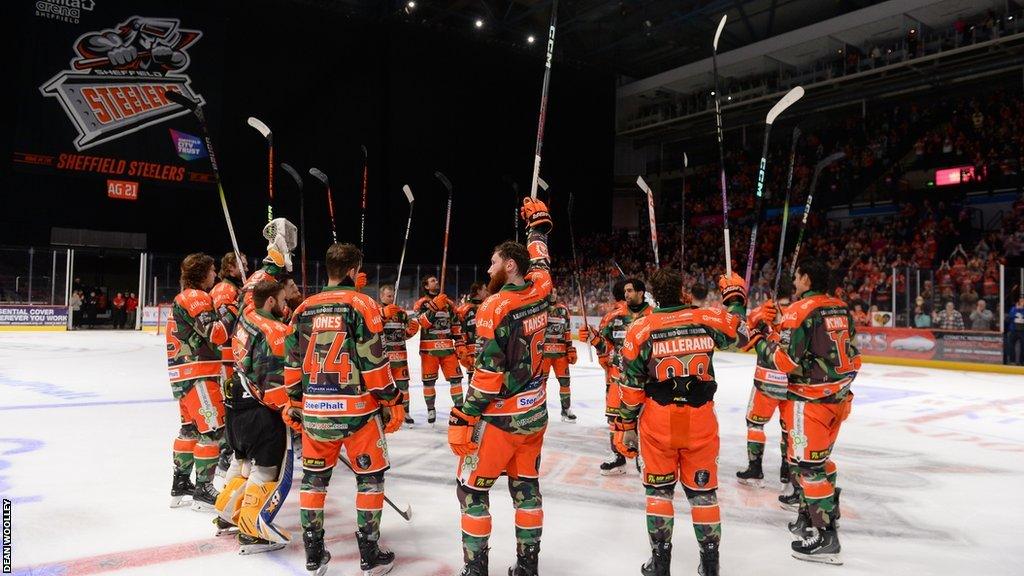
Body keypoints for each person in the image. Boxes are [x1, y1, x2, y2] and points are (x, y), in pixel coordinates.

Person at [617, 269, 750, 576]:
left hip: (658, 421)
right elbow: (737, 332)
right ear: (682, 292)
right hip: (700, 418)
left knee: (659, 492)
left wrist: (625, 428)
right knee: (703, 495)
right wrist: (735, 298)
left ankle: (661, 563)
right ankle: (710, 563)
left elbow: (631, 387)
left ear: (654, 296)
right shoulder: (704, 317)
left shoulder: (641, 327)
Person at [285, 243, 404, 576]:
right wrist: (392, 399)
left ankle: (313, 554)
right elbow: (375, 363)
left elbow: (292, 364)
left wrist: (295, 402)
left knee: (313, 480)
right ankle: (369, 553)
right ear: (354, 271)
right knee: (369, 479)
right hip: (358, 413)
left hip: (316, 412)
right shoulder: (362, 303)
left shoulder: (303, 308)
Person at [448, 198, 553, 576]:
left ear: (509, 265)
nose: (487, 267)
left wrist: (463, 414)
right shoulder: (541, 289)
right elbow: (541, 261)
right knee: (526, 489)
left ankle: (476, 570)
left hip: (499, 421)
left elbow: (487, 377)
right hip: (535, 414)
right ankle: (528, 567)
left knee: (472, 491)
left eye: (493, 262)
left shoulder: (493, 306)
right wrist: (537, 228)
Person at [755, 258, 859, 564]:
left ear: (807, 279)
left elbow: (785, 362)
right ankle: (811, 515)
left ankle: (827, 537)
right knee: (820, 461)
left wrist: (762, 338)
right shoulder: (840, 307)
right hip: (837, 398)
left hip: (809, 402)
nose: (795, 280)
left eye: (798, 276)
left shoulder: (801, 310)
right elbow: (853, 355)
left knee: (806, 467)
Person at [215, 280, 295, 554]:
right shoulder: (275, 331)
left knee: (242, 460)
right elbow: (275, 386)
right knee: (266, 467)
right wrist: (293, 409)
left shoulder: (247, 314)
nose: (286, 305)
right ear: (270, 301)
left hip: (235, 402)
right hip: (259, 410)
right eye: (283, 300)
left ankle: (226, 511)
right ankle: (252, 530)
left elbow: (252, 293)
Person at [166, 253, 231, 512]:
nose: (215, 276)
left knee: (189, 430)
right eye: (212, 270)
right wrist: (230, 311)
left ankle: (181, 482)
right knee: (213, 431)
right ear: (203, 273)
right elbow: (215, 333)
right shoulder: (195, 297)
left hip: (183, 375)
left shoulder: (183, 297)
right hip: (199, 374)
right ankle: (204, 487)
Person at [580, 277, 652, 475]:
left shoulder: (653, 316)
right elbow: (606, 347)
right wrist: (594, 338)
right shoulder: (615, 318)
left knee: (644, 419)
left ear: (641, 293)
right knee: (614, 419)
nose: (626, 294)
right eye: (625, 291)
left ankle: (642, 456)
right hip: (618, 377)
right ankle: (618, 457)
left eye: (630, 291)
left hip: (646, 380)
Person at [737, 293, 792, 487]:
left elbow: (742, 343)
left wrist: (754, 319)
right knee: (789, 429)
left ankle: (755, 468)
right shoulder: (800, 318)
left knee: (754, 424)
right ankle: (788, 471)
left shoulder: (767, 318)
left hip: (765, 382)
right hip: (790, 384)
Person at [211, 251, 248, 477]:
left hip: (232, 356)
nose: (246, 268)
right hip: (226, 357)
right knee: (230, 405)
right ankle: (225, 454)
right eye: (242, 265)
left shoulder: (234, 288)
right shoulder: (225, 289)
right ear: (231, 268)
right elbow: (226, 326)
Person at [414, 275, 465, 424]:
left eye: (436, 280)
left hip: (448, 349)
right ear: (426, 286)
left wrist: (460, 343)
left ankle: (459, 408)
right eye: (432, 281)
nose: (436, 282)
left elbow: (455, 326)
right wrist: (435, 307)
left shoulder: (449, 303)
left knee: (456, 380)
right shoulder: (421, 303)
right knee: (429, 382)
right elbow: (423, 323)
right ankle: (431, 409)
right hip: (429, 351)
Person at [380, 284, 419, 424]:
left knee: (404, 387)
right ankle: (385, 413)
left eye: (392, 296)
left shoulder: (402, 313)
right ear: (381, 296)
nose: (391, 298)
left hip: (400, 357)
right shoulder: (377, 311)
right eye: (388, 296)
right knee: (385, 387)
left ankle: (405, 412)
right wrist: (383, 317)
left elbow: (403, 335)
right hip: (383, 358)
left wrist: (410, 332)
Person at [539, 287, 578, 422]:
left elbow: (567, 331)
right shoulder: (539, 310)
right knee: (540, 383)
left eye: (555, 292)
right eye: (550, 292)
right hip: (543, 354)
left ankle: (566, 410)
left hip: (561, 354)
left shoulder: (563, 310)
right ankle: (540, 410)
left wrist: (570, 349)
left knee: (565, 382)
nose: (553, 295)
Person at [455, 282, 488, 415]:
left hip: (486, 348)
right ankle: (472, 407)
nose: (487, 292)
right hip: (471, 350)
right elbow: (458, 331)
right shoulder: (464, 309)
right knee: (473, 379)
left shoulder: (487, 306)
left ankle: (483, 407)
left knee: (485, 378)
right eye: (484, 289)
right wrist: (462, 349)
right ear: (478, 291)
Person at [1006, 296, 1024, 365]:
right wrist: (1017, 310)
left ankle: (1022, 361)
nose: (1022, 302)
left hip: (1022, 331)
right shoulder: (1013, 308)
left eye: (1023, 301)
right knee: (1011, 346)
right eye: (1021, 301)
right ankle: (1012, 361)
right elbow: (1010, 317)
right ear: (1019, 302)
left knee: (1023, 347)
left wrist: (1021, 310)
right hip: (1014, 330)